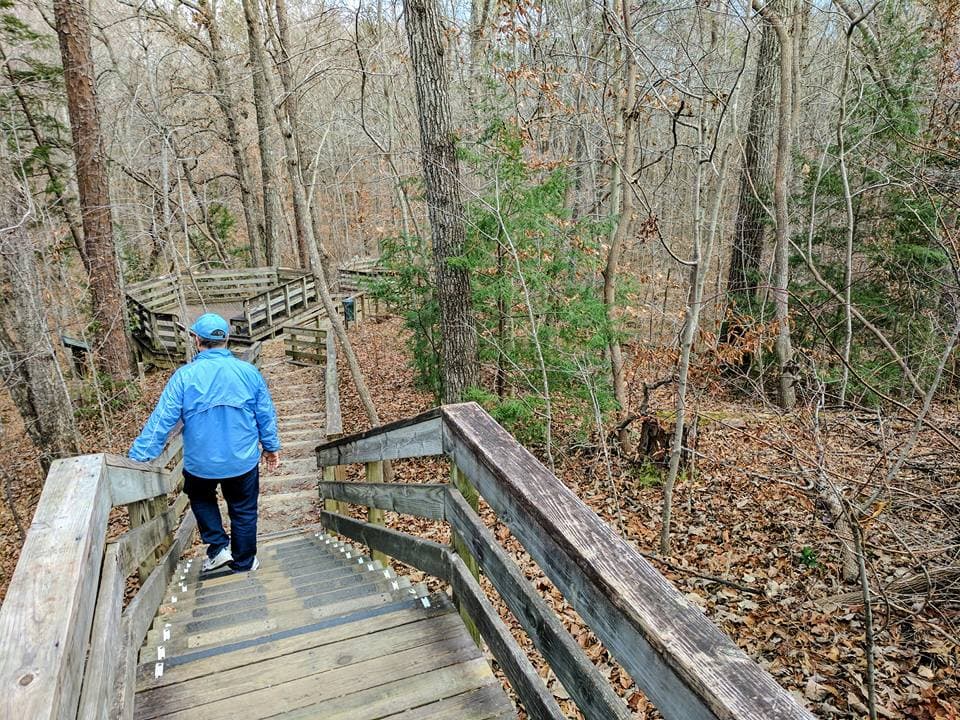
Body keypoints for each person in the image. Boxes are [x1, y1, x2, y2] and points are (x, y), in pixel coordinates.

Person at [129, 313, 280, 573]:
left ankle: (219, 547)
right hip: (241, 460)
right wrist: (271, 447)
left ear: (197, 340)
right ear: (227, 339)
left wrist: (138, 457)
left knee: (200, 496)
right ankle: (244, 563)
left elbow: (162, 421)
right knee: (243, 510)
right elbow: (265, 413)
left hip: (201, 463)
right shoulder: (248, 373)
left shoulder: (184, 377)